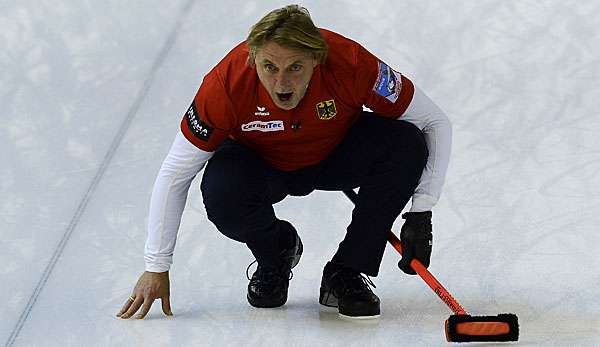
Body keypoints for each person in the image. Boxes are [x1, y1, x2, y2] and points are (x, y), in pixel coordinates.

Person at [117, 4, 451, 320]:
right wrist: (156, 266)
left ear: (316, 59)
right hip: (261, 165)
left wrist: (421, 212)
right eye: (269, 67)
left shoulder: (352, 63)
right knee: (221, 189)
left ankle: (347, 270)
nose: (281, 83)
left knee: (406, 143)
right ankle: (275, 252)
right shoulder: (224, 86)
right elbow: (175, 172)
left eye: (295, 67)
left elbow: (435, 122)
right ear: (252, 59)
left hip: (335, 153)